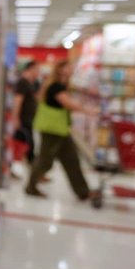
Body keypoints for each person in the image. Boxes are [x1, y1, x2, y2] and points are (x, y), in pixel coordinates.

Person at [26, 60, 98, 199]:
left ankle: (83, 192)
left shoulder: (62, 85)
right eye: (69, 67)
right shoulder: (56, 86)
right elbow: (68, 103)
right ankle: (30, 186)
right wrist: (88, 110)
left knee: (71, 160)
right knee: (45, 161)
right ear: (60, 70)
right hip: (52, 129)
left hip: (60, 129)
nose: (72, 69)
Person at [12, 61, 41, 164]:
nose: (38, 72)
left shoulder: (31, 83)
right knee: (28, 142)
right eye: (37, 70)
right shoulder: (22, 83)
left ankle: (30, 163)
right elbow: (18, 101)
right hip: (23, 118)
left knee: (30, 141)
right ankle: (30, 163)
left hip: (29, 118)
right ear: (30, 69)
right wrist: (15, 118)